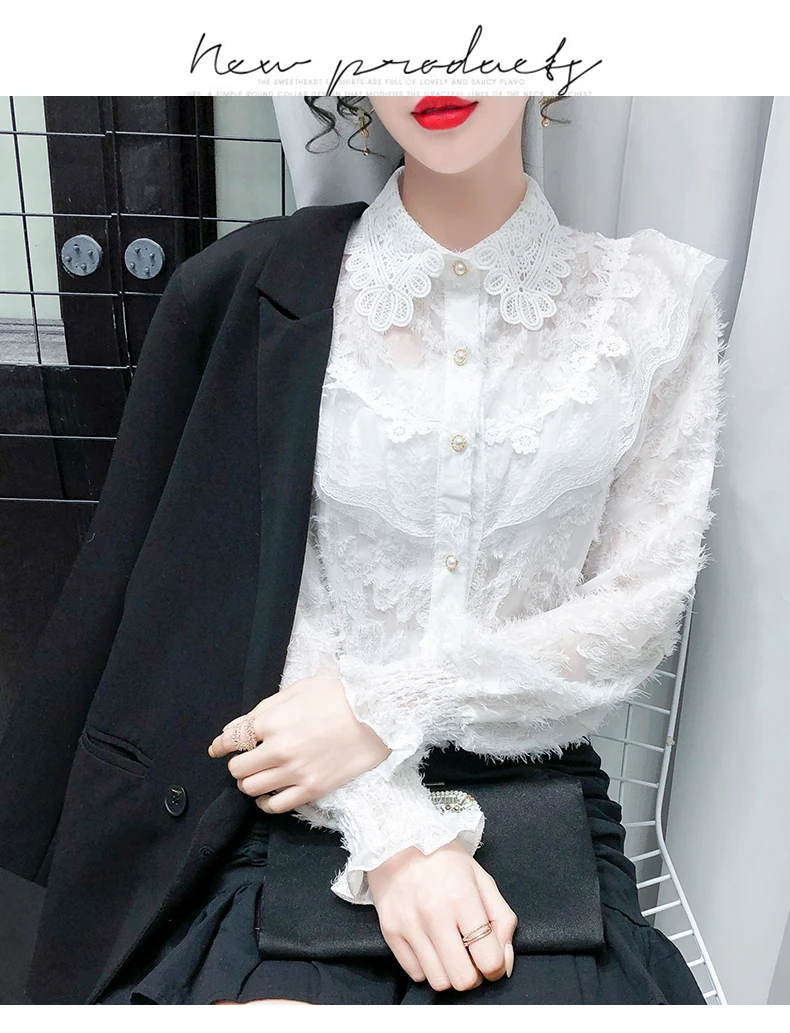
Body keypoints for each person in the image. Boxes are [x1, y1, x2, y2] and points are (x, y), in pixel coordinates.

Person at [0, 95, 728, 1006]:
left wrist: (387, 706)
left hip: (537, 788)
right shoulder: (270, 291)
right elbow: (252, 596)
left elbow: (639, 607)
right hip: (300, 785)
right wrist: (396, 834)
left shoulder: (654, 304)